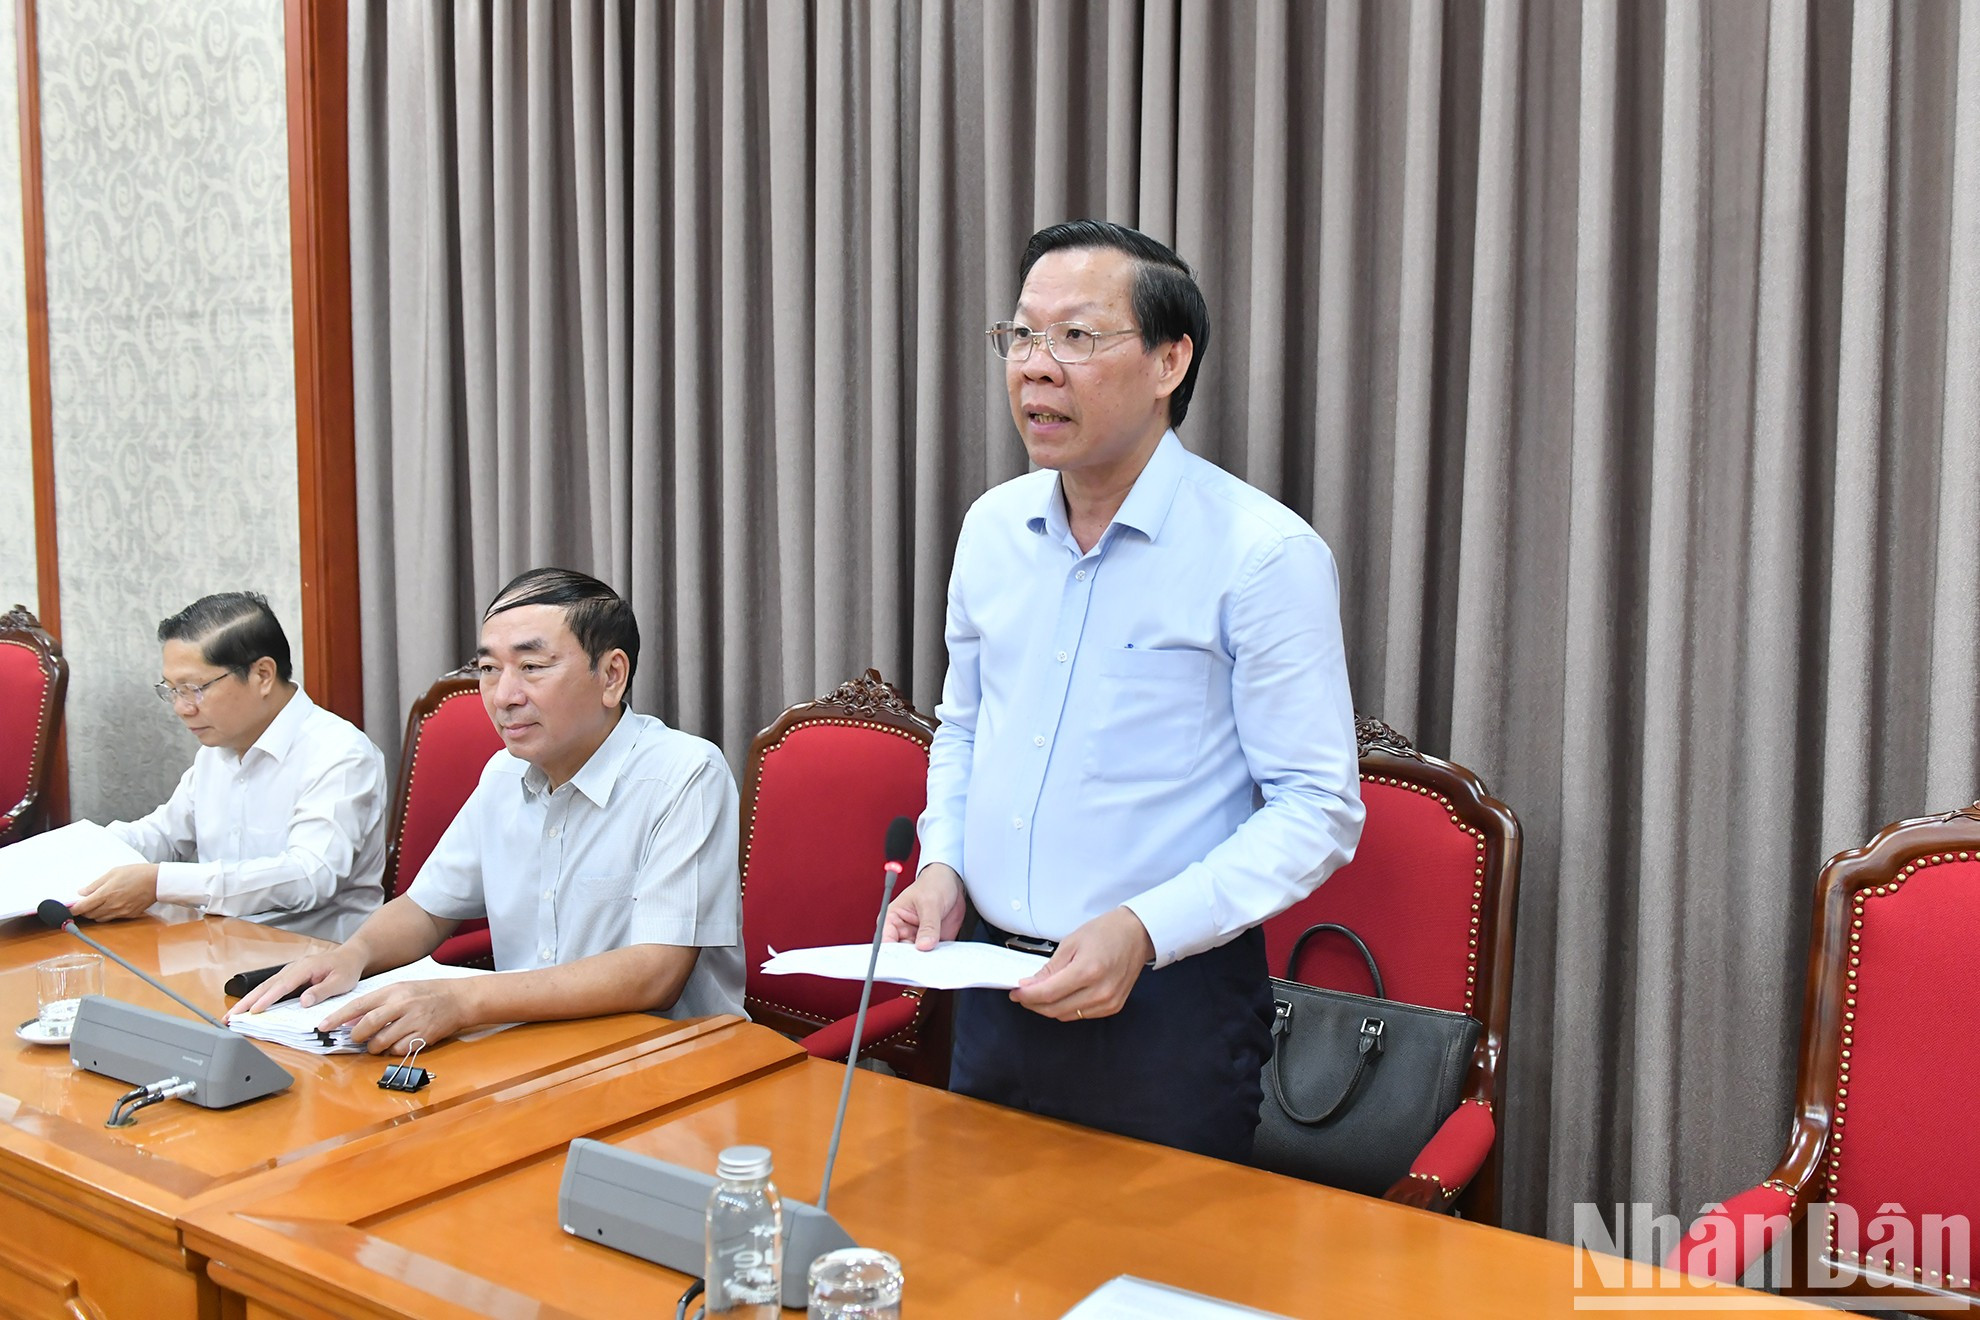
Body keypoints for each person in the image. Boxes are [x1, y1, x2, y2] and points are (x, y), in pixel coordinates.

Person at [883, 220, 1365, 1161]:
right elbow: (965, 728)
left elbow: (1318, 809)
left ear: (1168, 362)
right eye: (1020, 336)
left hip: (1164, 1006)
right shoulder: (991, 529)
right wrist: (943, 864)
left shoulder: (1261, 556)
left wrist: (1145, 930)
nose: (1035, 367)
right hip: (988, 986)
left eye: (1078, 337)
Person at [233, 568, 745, 1053]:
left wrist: (465, 1002)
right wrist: (351, 955)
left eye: (532, 667)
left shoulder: (686, 774)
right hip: (526, 1050)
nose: (503, 696)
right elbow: (426, 909)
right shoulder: (503, 775)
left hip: (666, 1060)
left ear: (611, 676)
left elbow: (657, 971)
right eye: (489, 669)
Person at [75, 592, 387, 941]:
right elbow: (165, 834)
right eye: (172, 690)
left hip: (312, 962)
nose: (181, 708)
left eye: (193, 688)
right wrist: (85, 849)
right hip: (215, 947)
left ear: (263, 675)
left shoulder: (339, 753)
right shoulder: (219, 747)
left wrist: (161, 882)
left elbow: (310, 876)